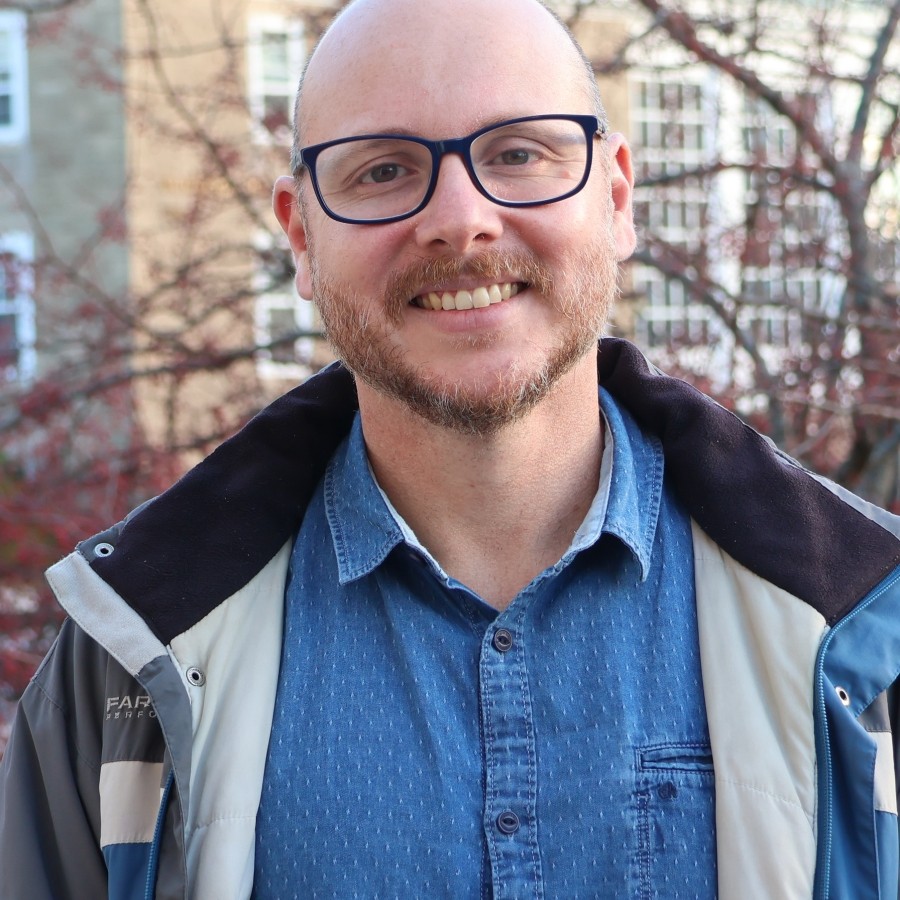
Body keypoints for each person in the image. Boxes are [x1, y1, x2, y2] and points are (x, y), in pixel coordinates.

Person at [2, 0, 899, 896]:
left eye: (518, 153)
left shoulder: (866, 639)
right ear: (301, 237)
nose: (460, 220)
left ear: (617, 197)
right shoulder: (123, 663)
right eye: (384, 170)